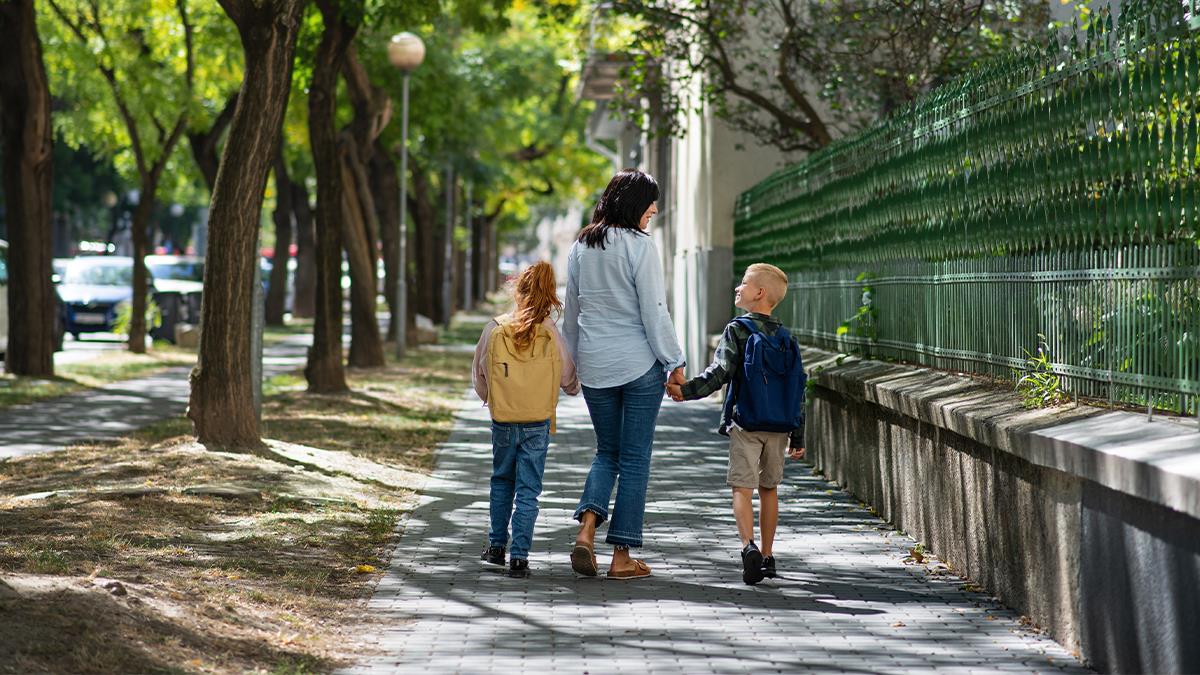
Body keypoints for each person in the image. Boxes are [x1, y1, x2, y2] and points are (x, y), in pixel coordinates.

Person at [564, 169, 685, 580]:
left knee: (606, 452)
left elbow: (573, 312)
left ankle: (586, 531)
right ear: (633, 202)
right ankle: (621, 558)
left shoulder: (582, 245)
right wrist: (675, 360)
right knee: (634, 460)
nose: (654, 209)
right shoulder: (639, 246)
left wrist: (572, 366)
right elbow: (654, 310)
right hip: (638, 366)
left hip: (596, 366)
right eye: (651, 201)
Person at [667, 263, 806, 585]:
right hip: (779, 427)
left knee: (742, 488)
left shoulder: (738, 329)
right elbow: (799, 388)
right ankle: (769, 557)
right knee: (770, 489)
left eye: (743, 283)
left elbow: (720, 373)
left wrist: (684, 392)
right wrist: (798, 435)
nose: (737, 288)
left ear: (759, 293)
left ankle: (748, 547)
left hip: (746, 422)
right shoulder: (788, 338)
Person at [472, 261, 580, 579]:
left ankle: (495, 547)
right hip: (537, 421)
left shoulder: (495, 327)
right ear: (550, 297)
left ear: (517, 291)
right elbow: (568, 377)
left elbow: (479, 371)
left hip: (503, 418)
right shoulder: (549, 332)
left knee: (501, 481)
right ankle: (519, 556)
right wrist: (572, 388)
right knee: (529, 490)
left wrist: (490, 398)